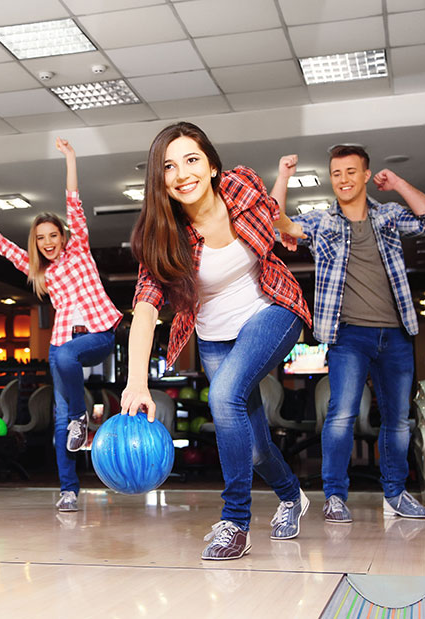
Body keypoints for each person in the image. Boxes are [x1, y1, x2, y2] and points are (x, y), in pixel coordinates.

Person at [120, 122, 312, 561]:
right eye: (168, 166)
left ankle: (235, 523)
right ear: (160, 178)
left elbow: (271, 211)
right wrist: (135, 383)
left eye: (191, 160)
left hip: (273, 309)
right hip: (215, 338)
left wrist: (291, 229)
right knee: (256, 446)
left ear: (211, 166)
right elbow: (146, 309)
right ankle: (291, 495)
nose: (181, 173)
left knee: (223, 396)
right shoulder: (162, 237)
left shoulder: (240, 184)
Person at [0, 138, 122, 512]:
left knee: (66, 362)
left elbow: (74, 202)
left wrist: (71, 158)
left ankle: (81, 416)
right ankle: (68, 490)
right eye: (40, 238)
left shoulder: (79, 250)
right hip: (64, 343)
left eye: (52, 236)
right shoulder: (39, 271)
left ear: (64, 237)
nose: (47, 242)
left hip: (97, 333)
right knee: (61, 420)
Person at [274, 146, 425, 522]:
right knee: (340, 416)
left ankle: (395, 493)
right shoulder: (323, 222)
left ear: (365, 175)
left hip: (395, 334)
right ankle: (335, 496)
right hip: (348, 337)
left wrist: (397, 183)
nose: (342, 179)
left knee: (396, 419)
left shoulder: (388, 216)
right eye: (336, 173)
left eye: (350, 172)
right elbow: (275, 222)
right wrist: (283, 175)